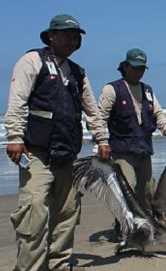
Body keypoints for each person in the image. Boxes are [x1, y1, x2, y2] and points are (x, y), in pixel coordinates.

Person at [5, 14, 109, 271]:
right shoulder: (32, 61)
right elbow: (17, 101)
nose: (71, 40)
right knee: (35, 211)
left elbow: (92, 110)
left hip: (68, 155)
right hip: (37, 153)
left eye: (75, 36)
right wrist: (15, 137)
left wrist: (102, 138)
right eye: (65, 34)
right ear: (51, 36)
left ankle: (60, 264)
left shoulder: (77, 72)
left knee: (67, 213)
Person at [97, 48, 166, 218]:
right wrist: (101, 141)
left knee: (148, 191)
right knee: (128, 187)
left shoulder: (147, 90)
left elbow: (158, 114)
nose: (138, 72)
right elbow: (99, 118)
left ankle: (144, 223)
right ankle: (123, 225)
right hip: (123, 150)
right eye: (135, 68)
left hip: (144, 149)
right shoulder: (112, 89)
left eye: (142, 68)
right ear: (125, 66)